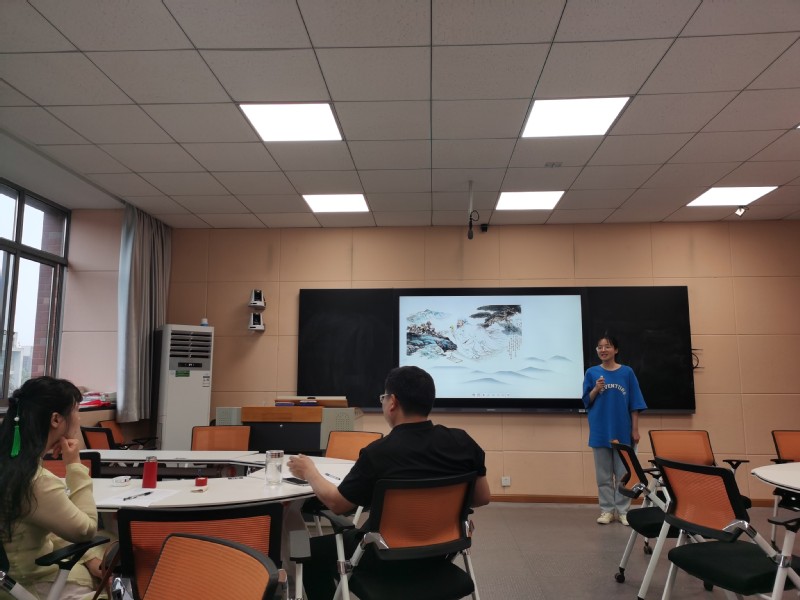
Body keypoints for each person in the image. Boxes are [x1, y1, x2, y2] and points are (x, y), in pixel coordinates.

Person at [288, 365, 490, 600]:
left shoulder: (378, 454)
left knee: (312, 552)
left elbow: (338, 504)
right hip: (441, 553)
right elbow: (482, 497)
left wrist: (309, 471)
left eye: (383, 398)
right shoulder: (463, 442)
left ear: (392, 402)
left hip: (382, 556)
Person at [0, 376, 106, 600]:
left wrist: (87, 557)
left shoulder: (10, 467)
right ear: (56, 419)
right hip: (29, 585)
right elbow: (85, 530)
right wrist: (74, 466)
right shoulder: (35, 481)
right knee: (114, 548)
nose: (78, 418)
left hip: (11, 580)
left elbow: (47, 523)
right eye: (76, 411)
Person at [582, 334, 646, 526]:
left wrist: (635, 430)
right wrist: (596, 389)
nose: (603, 350)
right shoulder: (592, 372)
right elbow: (586, 401)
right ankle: (607, 511)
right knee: (603, 476)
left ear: (615, 350)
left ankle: (623, 511)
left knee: (623, 475)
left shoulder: (627, 372)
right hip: (600, 431)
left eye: (607, 346)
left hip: (622, 431)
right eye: (600, 347)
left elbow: (635, 403)